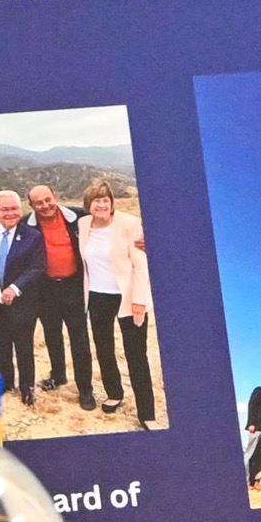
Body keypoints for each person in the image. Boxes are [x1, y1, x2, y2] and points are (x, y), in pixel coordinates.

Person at [80, 179, 155, 425]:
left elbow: (141, 265)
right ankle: (114, 393)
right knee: (104, 349)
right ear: (87, 205)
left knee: (136, 355)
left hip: (127, 296)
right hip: (97, 296)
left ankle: (147, 413)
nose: (101, 205)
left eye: (105, 200)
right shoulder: (83, 224)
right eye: (96, 201)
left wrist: (140, 301)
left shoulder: (129, 224)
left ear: (112, 203)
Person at [19, 183, 96, 411]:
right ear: (31, 206)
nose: (45, 206)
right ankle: (58, 376)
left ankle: (85, 389)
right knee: (52, 334)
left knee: (79, 339)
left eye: (48, 200)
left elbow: (107, 226)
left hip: (74, 285)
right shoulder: (26, 225)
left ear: (56, 196)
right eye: (38, 203)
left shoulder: (79, 217)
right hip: (45, 288)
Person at [0, 190, 39, 403]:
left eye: (14, 208)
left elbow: (37, 268)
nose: (10, 213)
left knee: (24, 346)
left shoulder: (33, 236)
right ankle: (4, 383)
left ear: (20, 210)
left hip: (22, 302)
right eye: (5, 209)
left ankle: (27, 388)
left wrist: (15, 288)